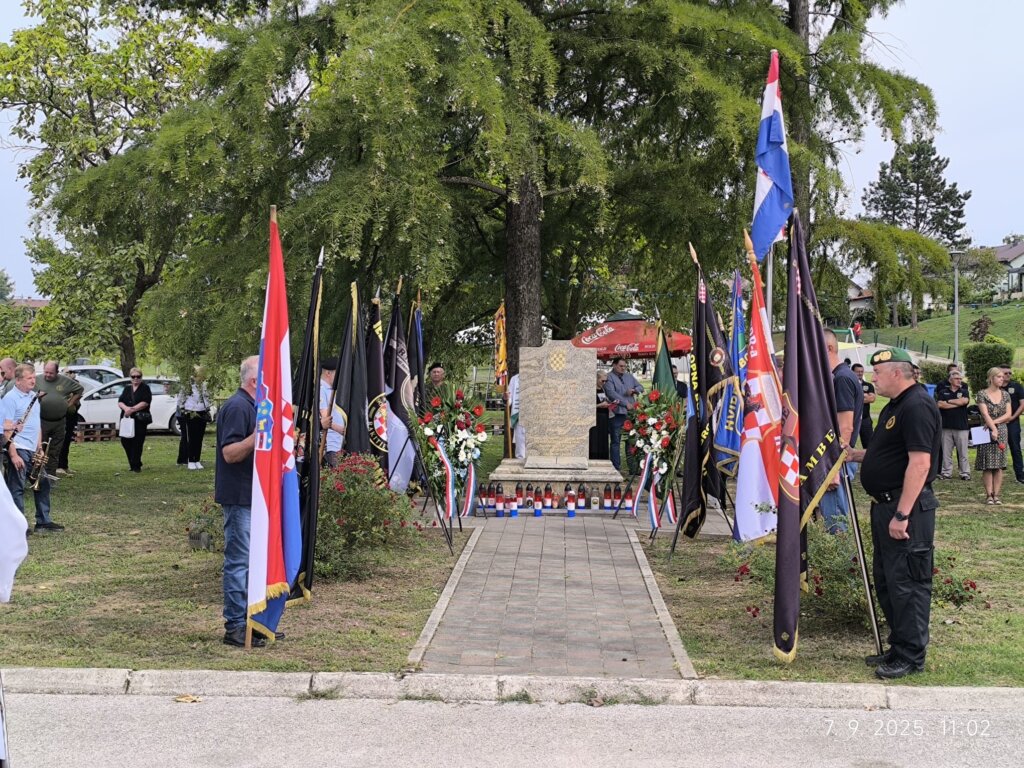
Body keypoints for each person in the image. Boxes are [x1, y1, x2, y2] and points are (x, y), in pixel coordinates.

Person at [848, 347, 941, 680]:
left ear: (897, 373)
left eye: (878, 373)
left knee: (908, 583)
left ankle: (911, 656)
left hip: (907, 508)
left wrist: (901, 516)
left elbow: (920, 463)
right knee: (889, 581)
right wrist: (856, 455)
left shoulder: (916, 406)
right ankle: (899, 645)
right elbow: (889, 454)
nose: (873, 379)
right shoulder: (897, 405)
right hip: (887, 504)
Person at [215, 355, 268, 648]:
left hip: (253, 497)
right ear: (253, 381)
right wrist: (257, 436)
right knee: (238, 562)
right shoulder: (237, 407)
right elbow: (230, 453)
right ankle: (234, 625)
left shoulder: (252, 406)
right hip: (239, 498)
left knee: (252, 562)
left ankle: (250, 621)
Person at [1, 364, 64, 533]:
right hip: (18, 448)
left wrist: (40, 448)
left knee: (43, 483)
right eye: (29, 378)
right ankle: (18, 526)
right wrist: (13, 454)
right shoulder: (10, 399)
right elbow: (6, 429)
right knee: (17, 488)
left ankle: (43, 521)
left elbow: (36, 425)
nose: (33, 381)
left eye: (34, 378)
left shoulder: (33, 397)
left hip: (32, 449)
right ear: (19, 380)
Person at [820, 329, 862, 533]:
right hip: (834, 457)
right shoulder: (839, 376)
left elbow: (845, 426)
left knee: (835, 519)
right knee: (832, 515)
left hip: (837, 459)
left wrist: (834, 468)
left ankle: (842, 563)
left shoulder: (842, 379)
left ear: (829, 348)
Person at [36, 361, 84, 481]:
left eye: (51, 373)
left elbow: (79, 389)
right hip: (42, 421)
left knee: (55, 450)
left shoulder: (64, 381)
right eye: (45, 372)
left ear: (57, 372)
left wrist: (70, 403)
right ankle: (37, 475)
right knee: (40, 448)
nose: (47, 375)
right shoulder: (37, 379)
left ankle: (51, 476)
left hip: (59, 421)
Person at [976, 367, 1010, 505]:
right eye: (999, 377)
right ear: (991, 378)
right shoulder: (982, 394)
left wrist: (995, 424)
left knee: (999, 465)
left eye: (1003, 377)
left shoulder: (1006, 394)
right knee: (987, 464)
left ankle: (997, 494)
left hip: (1001, 429)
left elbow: (1008, 415)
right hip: (985, 430)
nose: (1002, 379)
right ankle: (989, 494)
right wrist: (992, 428)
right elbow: (984, 414)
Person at [603, 357, 643, 472]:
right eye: (621, 366)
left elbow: (641, 387)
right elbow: (611, 394)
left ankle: (633, 467)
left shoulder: (629, 376)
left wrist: (635, 390)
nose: (623, 368)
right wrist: (626, 403)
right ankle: (616, 468)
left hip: (630, 414)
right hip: (616, 414)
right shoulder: (609, 377)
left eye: (625, 366)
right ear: (614, 365)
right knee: (616, 441)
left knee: (631, 441)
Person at [935, 370, 970, 481]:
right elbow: (940, 404)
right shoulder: (943, 392)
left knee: (963, 451)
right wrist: (956, 403)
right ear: (950, 380)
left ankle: (965, 473)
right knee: (946, 451)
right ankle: (946, 473)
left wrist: (948, 401)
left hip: (961, 426)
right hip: (946, 426)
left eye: (960, 378)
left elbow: (964, 402)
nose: (959, 380)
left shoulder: (964, 391)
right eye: (956, 378)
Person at [176, 367, 214, 470]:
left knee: (199, 438)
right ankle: (191, 460)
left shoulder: (204, 386)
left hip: (202, 412)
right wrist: (183, 409)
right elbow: (180, 399)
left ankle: (197, 459)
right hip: (190, 412)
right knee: (191, 438)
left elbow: (208, 398)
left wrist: (208, 406)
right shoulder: (188, 386)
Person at [117, 367, 152, 473]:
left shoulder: (145, 388)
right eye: (133, 377)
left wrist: (132, 409)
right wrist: (126, 409)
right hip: (126, 418)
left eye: (138, 377)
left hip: (139, 419)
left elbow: (145, 402)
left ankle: (136, 466)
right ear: (130, 377)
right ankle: (132, 462)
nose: (136, 379)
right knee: (125, 441)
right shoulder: (127, 388)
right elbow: (120, 401)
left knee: (137, 442)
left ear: (141, 377)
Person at [998, 364, 1024, 483]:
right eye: (1005, 373)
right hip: (997, 422)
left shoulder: (1016, 386)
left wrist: (1012, 417)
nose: (1008, 375)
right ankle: (996, 474)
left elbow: (1022, 404)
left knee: (1015, 448)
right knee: (997, 448)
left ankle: (1020, 475)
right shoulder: (994, 387)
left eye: (1010, 373)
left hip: (1012, 422)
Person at [318, 357, 346, 467]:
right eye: (337, 373)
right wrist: (341, 429)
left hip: (339, 444)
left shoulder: (331, 390)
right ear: (328, 373)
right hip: (331, 445)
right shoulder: (321, 389)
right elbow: (325, 417)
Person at [57, 368, 84, 475]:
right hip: (62, 416)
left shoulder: (76, 384)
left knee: (67, 440)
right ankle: (59, 466)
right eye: (69, 372)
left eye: (73, 372)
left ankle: (64, 465)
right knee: (61, 442)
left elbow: (79, 395)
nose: (72, 375)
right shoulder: (60, 385)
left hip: (72, 415)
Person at [589, 370, 614, 461]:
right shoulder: (591, 390)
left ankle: (603, 457)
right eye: (602, 381)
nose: (604, 383)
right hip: (596, 418)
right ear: (596, 379)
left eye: (605, 381)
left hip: (604, 417)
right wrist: (600, 405)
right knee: (595, 440)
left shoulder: (602, 389)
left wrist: (610, 404)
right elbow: (588, 406)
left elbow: (604, 400)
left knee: (603, 439)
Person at [852, 363, 876, 448]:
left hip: (865, 420)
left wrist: (856, 398)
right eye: (857, 371)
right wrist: (864, 395)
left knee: (869, 445)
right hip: (852, 419)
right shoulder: (850, 385)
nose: (860, 373)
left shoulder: (868, 385)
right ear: (852, 372)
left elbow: (872, 399)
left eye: (861, 371)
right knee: (849, 444)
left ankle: (868, 461)